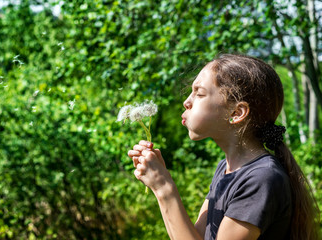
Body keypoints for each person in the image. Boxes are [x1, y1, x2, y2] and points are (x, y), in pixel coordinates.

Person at [128, 54, 320, 240]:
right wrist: (159, 183)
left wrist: (163, 187)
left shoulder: (261, 179)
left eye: (199, 93)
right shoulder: (226, 169)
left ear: (237, 112)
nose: (186, 102)